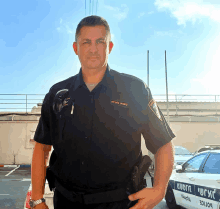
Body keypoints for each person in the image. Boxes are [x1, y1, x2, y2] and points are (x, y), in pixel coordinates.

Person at [30, 15, 175, 209]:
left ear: (110, 47)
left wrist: (159, 190)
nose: (93, 49)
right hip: (67, 202)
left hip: (121, 203)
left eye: (100, 42)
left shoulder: (135, 89)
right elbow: (42, 147)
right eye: (86, 42)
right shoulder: (58, 94)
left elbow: (163, 143)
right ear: (76, 48)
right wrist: (38, 199)